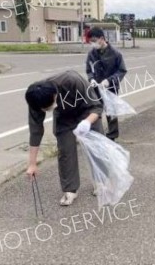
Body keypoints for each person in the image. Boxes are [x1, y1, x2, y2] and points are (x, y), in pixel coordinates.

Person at [25, 70, 104, 206]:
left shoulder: (72, 80)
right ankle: (70, 190)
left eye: (50, 105)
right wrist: (32, 164)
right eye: (46, 109)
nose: (49, 109)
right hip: (64, 117)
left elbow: (97, 106)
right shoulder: (35, 99)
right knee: (65, 151)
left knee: (97, 147)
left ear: (55, 94)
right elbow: (35, 131)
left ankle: (100, 182)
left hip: (87, 111)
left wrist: (87, 122)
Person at [86, 27, 127, 140]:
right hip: (96, 88)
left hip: (111, 87)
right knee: (95, 110)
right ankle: (96, 133)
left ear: (102, 38)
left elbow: (122, 70)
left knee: (111, 111)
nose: (92, 43)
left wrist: (109, 80)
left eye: (94, 41)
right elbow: (89, 70)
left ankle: (112, 136)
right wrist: (91, 79)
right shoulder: (92, 54)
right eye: (91, 41)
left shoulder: (115, 54)